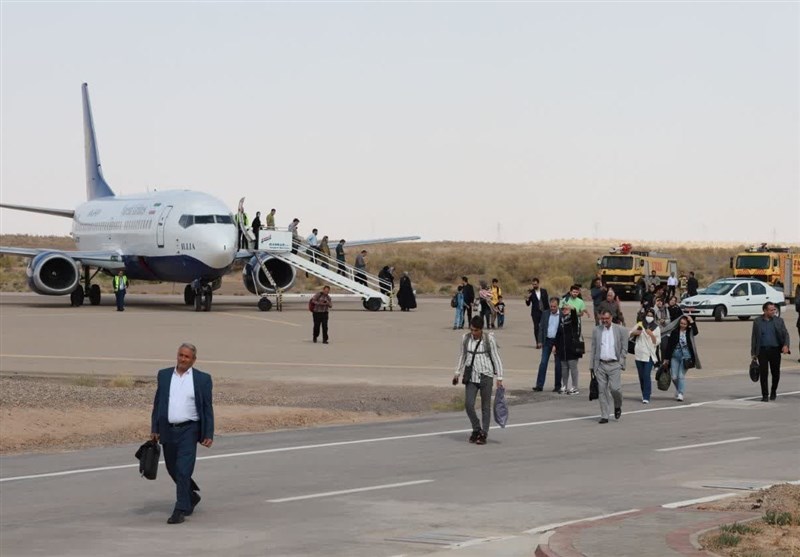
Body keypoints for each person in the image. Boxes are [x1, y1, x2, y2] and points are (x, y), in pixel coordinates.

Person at [150, 343, 214, 524]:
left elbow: (207, 408)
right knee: (172, 468)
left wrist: (208, 433)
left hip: (189, 430)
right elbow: (158, 403)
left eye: (187, 357)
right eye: (181, 355)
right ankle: (191, 496)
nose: (183, 359)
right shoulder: (164, 375)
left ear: (194, 360)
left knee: (183, 469)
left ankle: (180, 509)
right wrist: (154, 428)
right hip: (168, 429)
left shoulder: (202, 379)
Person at [452, 316, 504, 445]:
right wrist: (457, 372)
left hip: (486, 376)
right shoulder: (465, 338)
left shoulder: (489, 339)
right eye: (471, 329)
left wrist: (500, 377)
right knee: (468, 405)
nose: (473, 332)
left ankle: (483, 433)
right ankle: (476, 428)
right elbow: (463, 356)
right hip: (471, 377)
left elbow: (496, 357)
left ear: (481, 329)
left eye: (475, 330)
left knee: (485, 407)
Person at [589, 310, 627, 423]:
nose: (604, 321)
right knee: (602, 391)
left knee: (615, 389)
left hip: (614, 364)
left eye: (606, 318)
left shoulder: (620, 330)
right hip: (600, 365)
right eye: (602, 319)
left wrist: (621, 361)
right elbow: (593, 348)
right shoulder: (596, 330)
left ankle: (617, 405)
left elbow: (624, 347)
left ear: (611, 318)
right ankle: (604, 415)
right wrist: (592, 365)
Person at [750, 302, 790, 401]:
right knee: (763, 374)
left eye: (774, 309)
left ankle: (773, 391)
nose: (774, 311)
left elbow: (785, 334)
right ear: (765, 310)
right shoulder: (757, 321)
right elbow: (754, 338)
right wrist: (753, 353)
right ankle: (765, 395)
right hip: (762, 351)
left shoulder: (779, 321)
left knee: (775, 373)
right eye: (771, 310)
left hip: (775, 350)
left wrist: (786, 345)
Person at [663, 314, 700, 402]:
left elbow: (696, 332)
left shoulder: (689, 331)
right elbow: (669, 345)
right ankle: (679, 388)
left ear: (687, 325)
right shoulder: (675, 331)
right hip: (675, 355)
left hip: (686, 356)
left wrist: (692, 321)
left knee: (680, 376)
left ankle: (680, 393)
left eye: (684, 324)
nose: (682, 325)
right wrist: (666, 358)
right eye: (681, 323)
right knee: (674, 377)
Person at [629, 308, 661, 404]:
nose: (649, 317)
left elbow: (657, 342)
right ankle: (644, 392)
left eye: (651, 316)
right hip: (639, 353)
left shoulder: (656, 327)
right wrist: (635, 333)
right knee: (641, 376)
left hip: (649, 354)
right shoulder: (640, 324)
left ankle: (646, 396)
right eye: (648, 315)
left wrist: (651, 335)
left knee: (647, 375)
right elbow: (629, 334)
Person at [533, 297, 563, 392]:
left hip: (557, 342)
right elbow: (541, 327)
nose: (552, 308)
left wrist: (557, 344)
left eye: (554, 306)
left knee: (558, 365)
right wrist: (539, 341)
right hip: (547, 341)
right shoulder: (545, 313)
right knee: (543, 363)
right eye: (551, 306)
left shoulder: (562, 315)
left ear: (558, 306)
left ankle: (557, 386)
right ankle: (539, 385)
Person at [556, 303, 583, 395]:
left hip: (572, 348)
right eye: (563, 309)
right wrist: (555, 345)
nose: (564, 310)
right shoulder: (561, 320)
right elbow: (558, 334)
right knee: (564, 368)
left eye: (566, 309)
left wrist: (572, 308)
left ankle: (575, 387)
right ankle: (564, 386)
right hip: (563, 348)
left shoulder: (573, 319)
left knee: (573, 368)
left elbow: (574, 315)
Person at [525, 278, 548, 348]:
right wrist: (527, 298)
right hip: (535, 313)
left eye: (535, 284)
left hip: (543, 312)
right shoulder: (531, 292)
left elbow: (546, 302)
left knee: (543, 327)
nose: (534, 285)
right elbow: (528, 304)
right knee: (536, 328)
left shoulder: (544, 291)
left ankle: (543, 342)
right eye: (533, 284)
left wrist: (548, 312)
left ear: (538, 283)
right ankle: (538, 342)